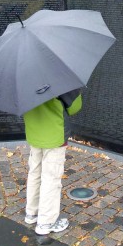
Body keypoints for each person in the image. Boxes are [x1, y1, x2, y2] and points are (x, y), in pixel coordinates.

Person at [23, 89, 82, 235]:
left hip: (33, 132)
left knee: (35, 173)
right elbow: (75, 107)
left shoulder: (22, 78)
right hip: (54, 134)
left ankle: (32, 213)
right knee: (51, 178)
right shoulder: (59, 78)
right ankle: (46, 222)